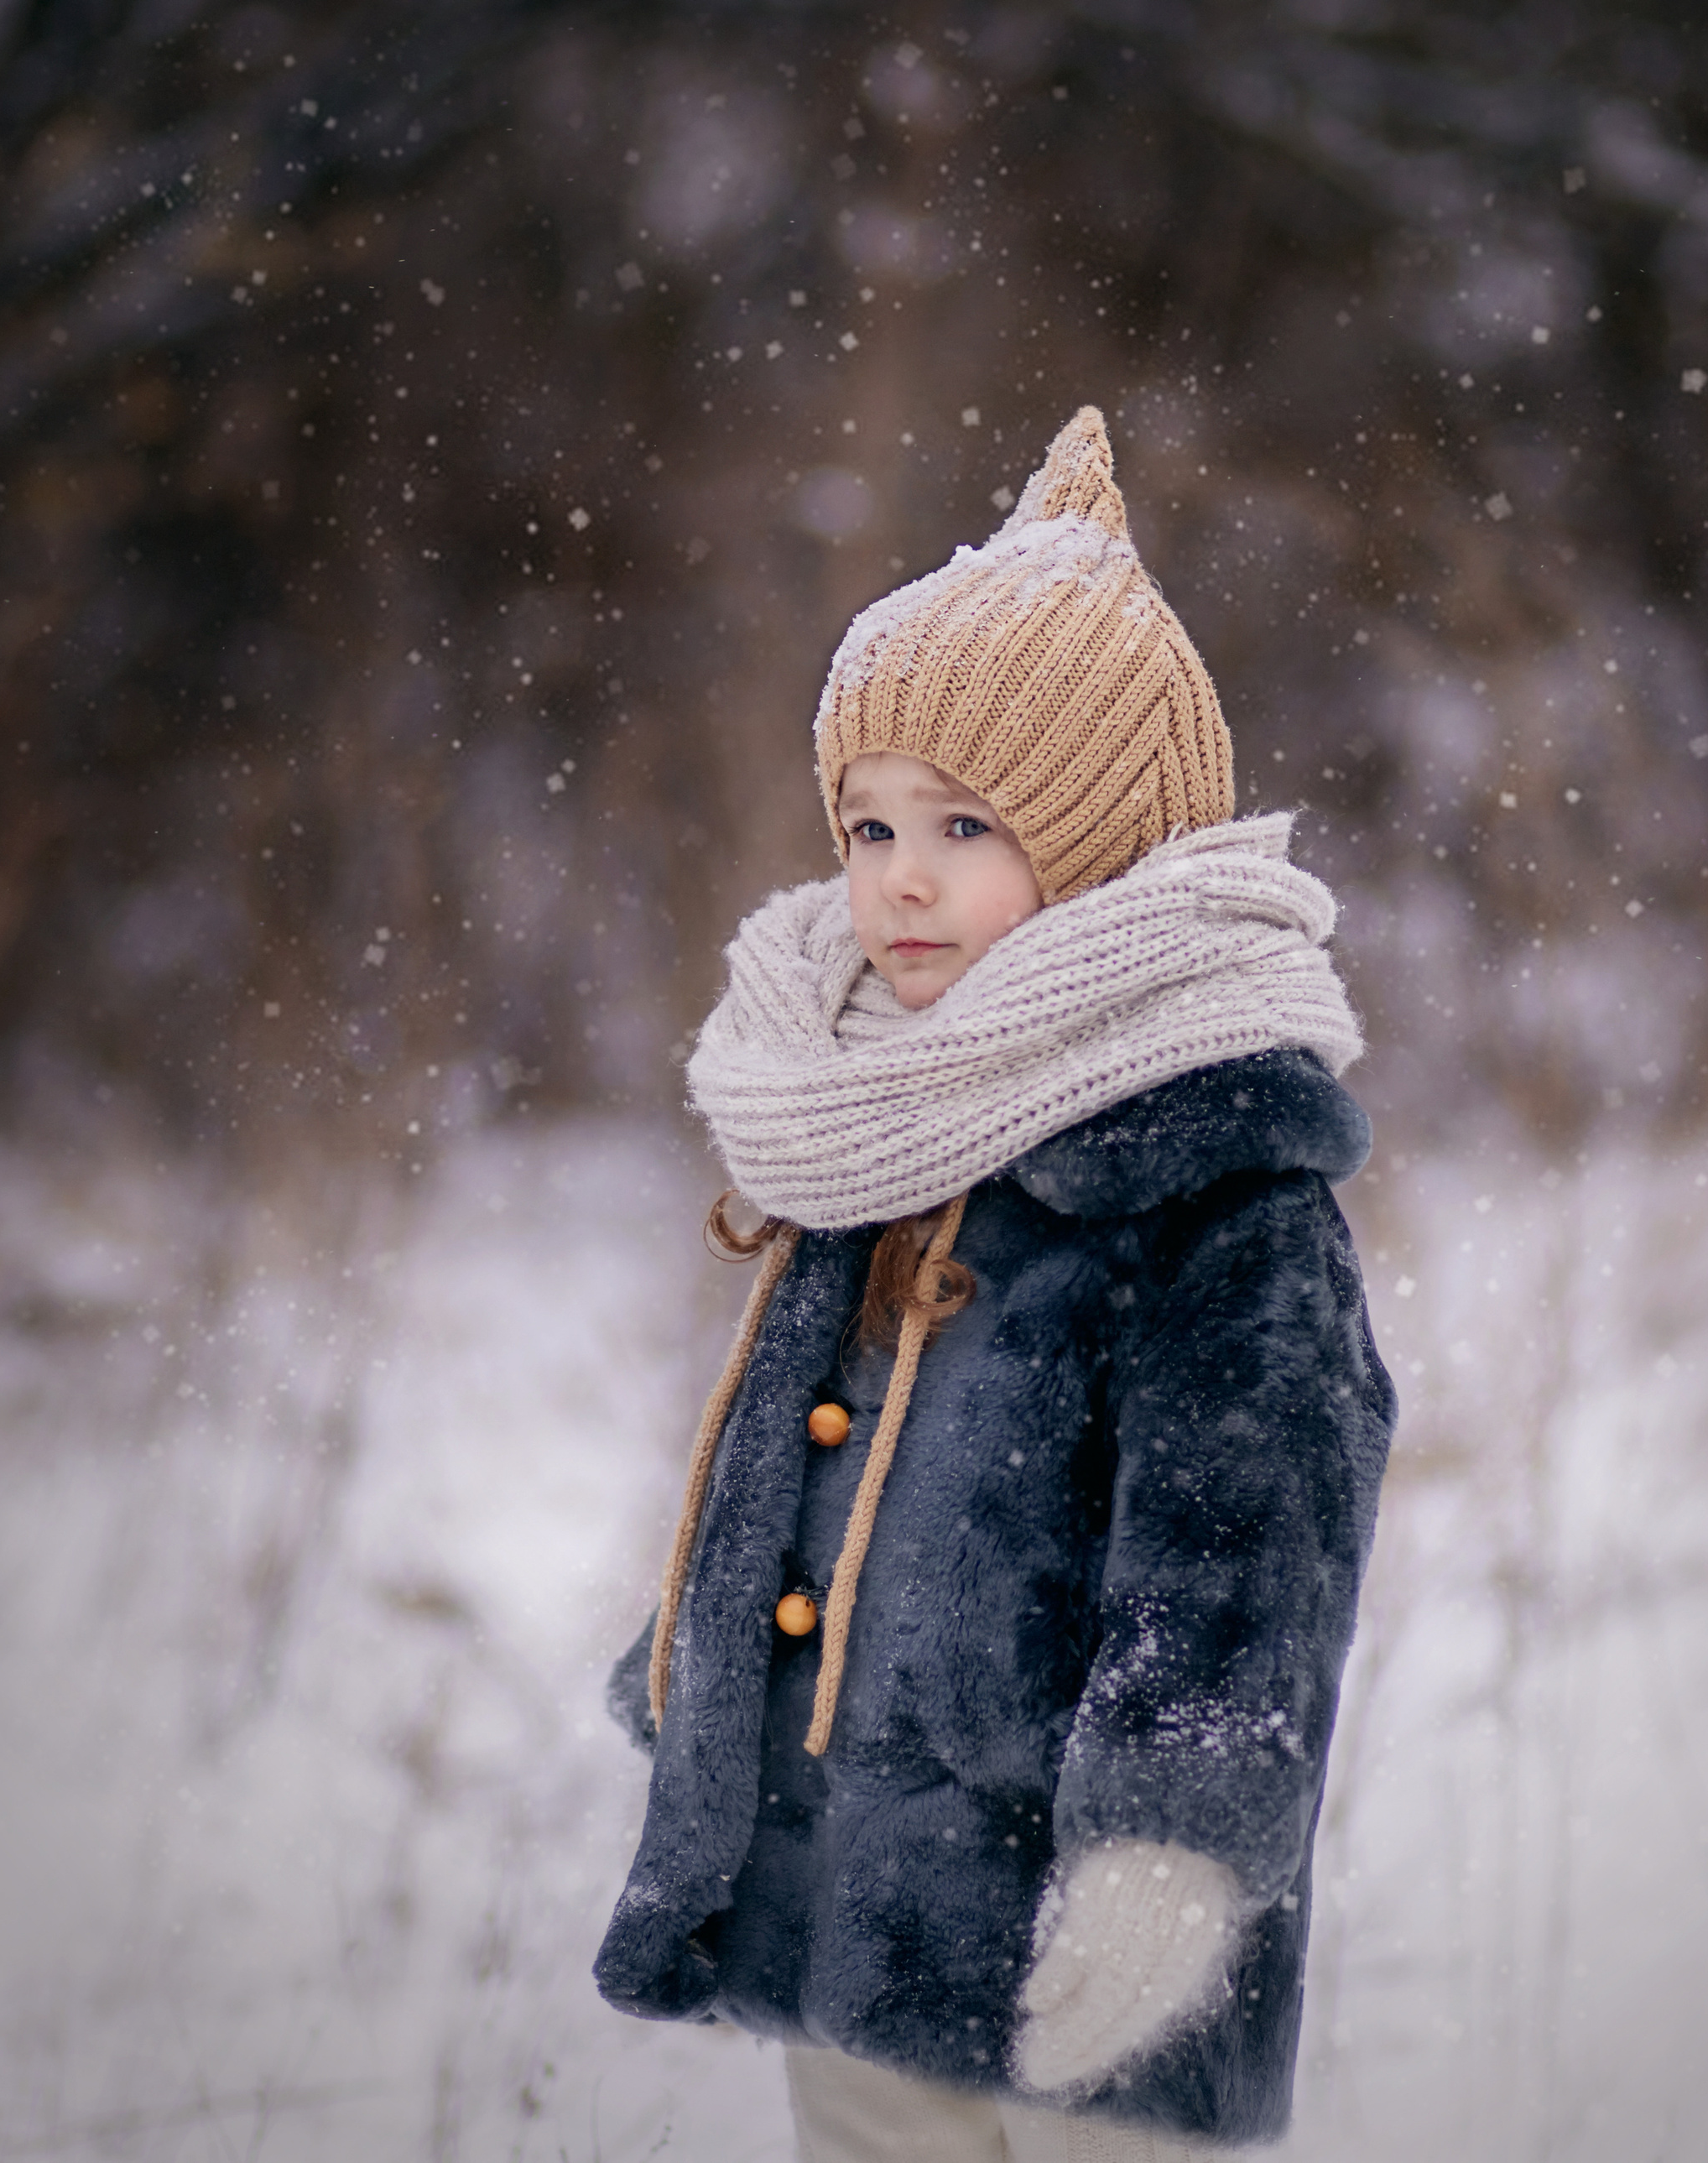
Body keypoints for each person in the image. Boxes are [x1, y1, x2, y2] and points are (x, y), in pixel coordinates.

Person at [595, 407, 1397, 2160]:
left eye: (965, 823)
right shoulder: (874, 1112)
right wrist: (704, 1669)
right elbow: (805, 1450)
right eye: (867, 823)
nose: (901, 876)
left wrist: (1171, 1842)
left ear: (1103, 842)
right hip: (857, 1914)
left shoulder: (1214, 1169)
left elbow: (1249, 1539)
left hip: (1080, 1938)